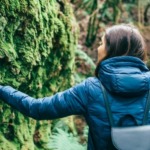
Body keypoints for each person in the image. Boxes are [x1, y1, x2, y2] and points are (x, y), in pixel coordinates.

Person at [0, 24, 149, 150]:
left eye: (101, 43)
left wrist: (2, 89)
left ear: (112, 51)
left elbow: (37, 108)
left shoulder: (91, 89)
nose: (98, 48)